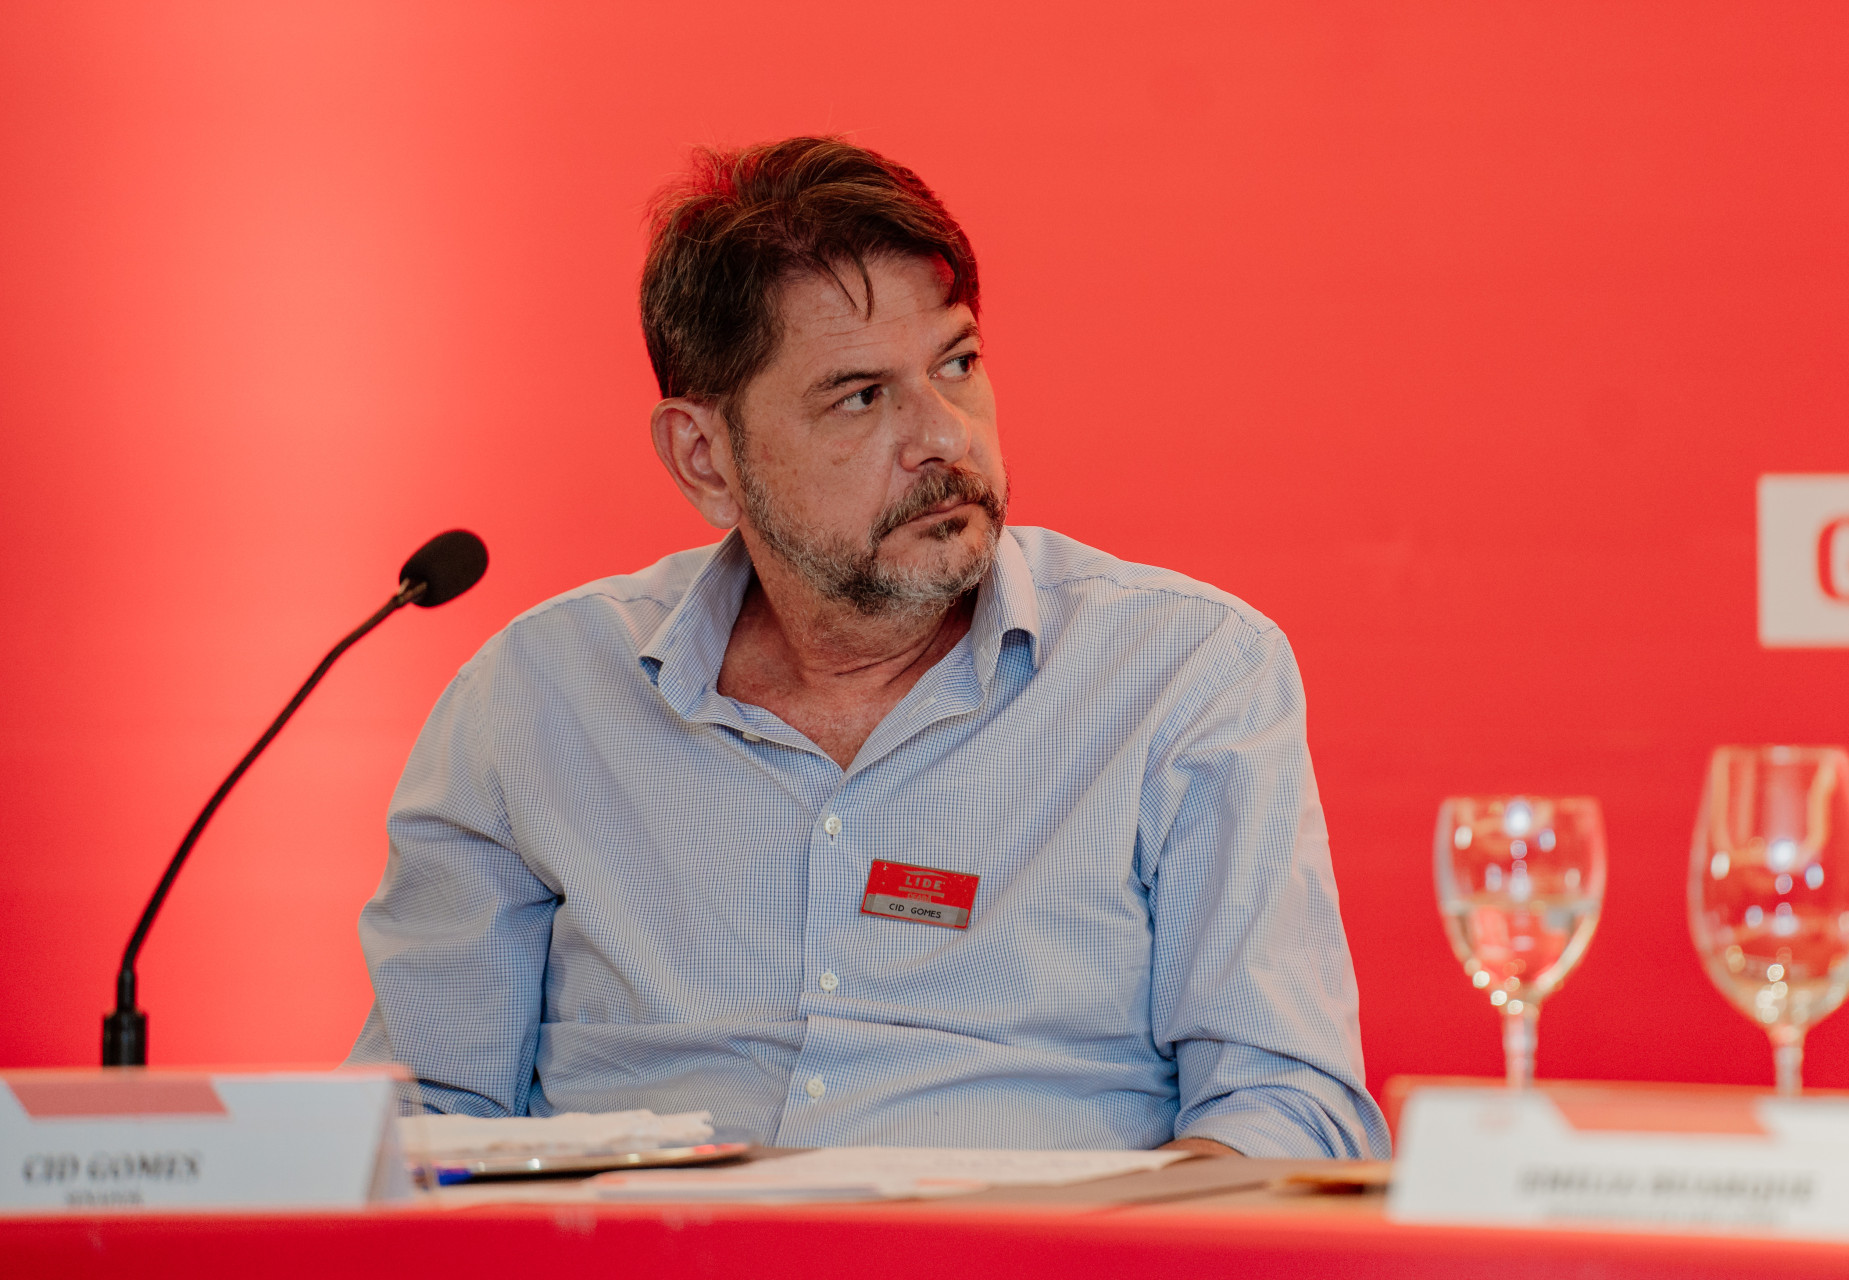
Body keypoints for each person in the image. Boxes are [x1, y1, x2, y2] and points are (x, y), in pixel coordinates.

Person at [349, 136, 1389, 1159]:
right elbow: (415, 1127)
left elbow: (1286, 1109)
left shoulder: (1185, 675)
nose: (944, 435)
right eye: (860, 394)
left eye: (959, 363)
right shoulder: (534, 700)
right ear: (706, 457)